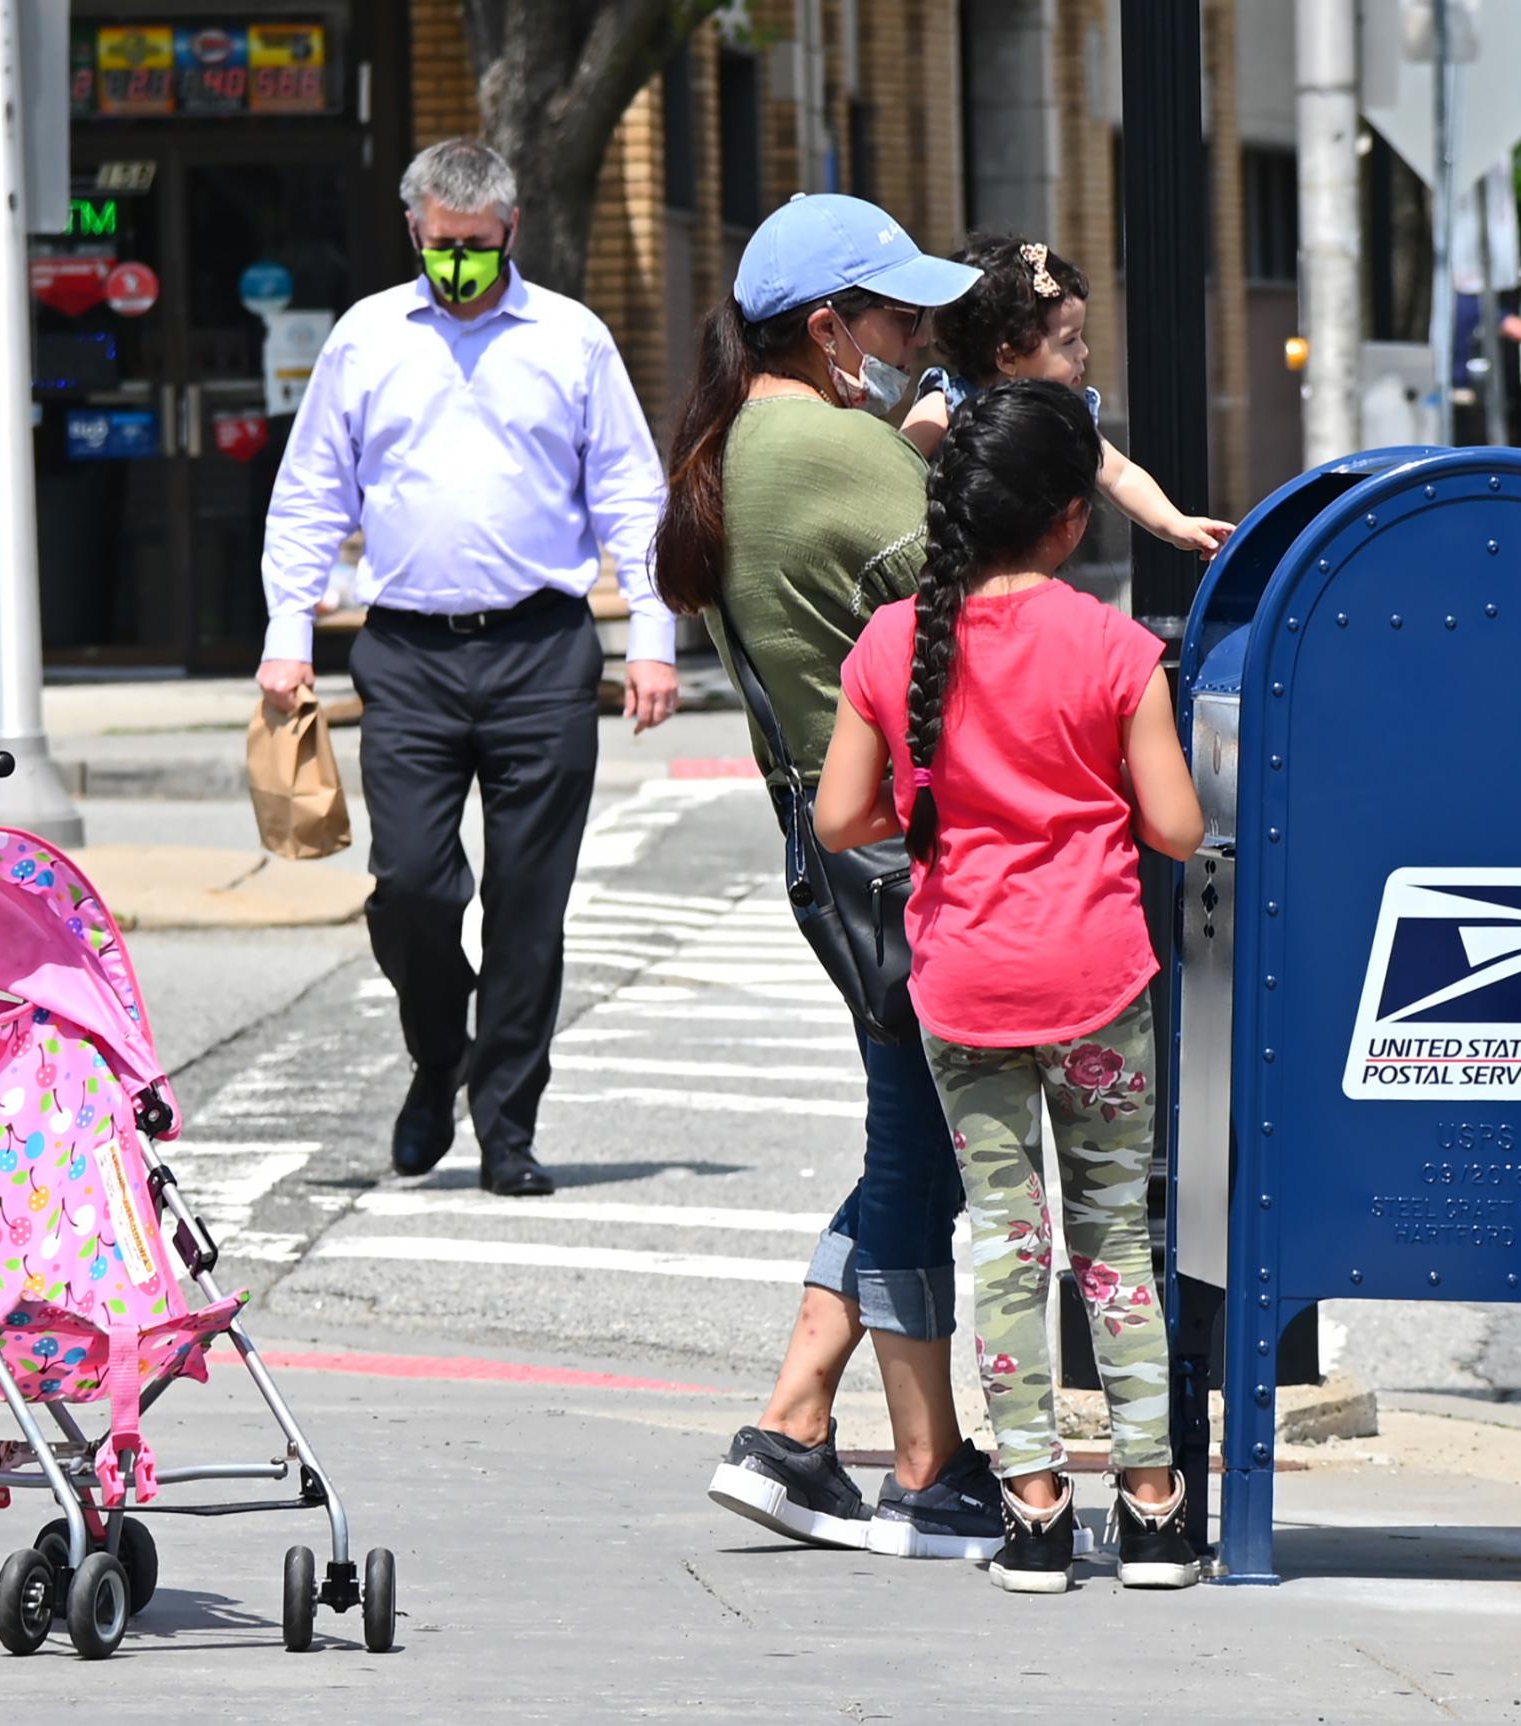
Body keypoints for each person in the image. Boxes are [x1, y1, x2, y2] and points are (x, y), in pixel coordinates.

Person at [653, 193, 1011, 1561]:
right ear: (828, 328)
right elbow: (1000, 605)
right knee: (925, 1143)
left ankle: (802, 1422)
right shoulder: (825, 447)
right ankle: (906, 1460)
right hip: (898, 848)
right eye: (901, 319)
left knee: (913, 1133)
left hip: (832, 842)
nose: (922, 342)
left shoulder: (753, 434)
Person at [813, 379, 1207, 1594]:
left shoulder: (891, 643)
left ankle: (1032, 1507)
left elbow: (839, 819)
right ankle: (1147, 1503)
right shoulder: (1113, 648)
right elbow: (1180, 829)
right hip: (1094, 975)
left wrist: (934, 811)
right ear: (1070, 519)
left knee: (1006, 1241)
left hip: (965, 984)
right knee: (1110, 1245)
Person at [255, 137, 679, 1198]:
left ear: (511, 234)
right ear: (415, 233)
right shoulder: (365, 341)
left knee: (529, 905)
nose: (460, 266)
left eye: (478, 249)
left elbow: (633, 497)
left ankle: (506, 1127)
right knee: (413, 888)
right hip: (406, 651)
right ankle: (437, 1053)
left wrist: (654, 641)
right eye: (443, 248)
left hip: (543, 646)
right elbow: (310, 495)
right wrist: (286, 637)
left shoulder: (570, 341)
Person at [899, 236, 1231, 557]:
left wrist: (1175, 524)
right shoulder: (947, 406)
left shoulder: (1062, 416)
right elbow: (891, 471)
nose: (1084, 351)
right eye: (1069, 340)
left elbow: (1119, 475)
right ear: (1009, 357)